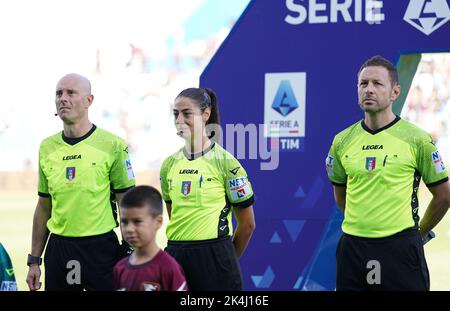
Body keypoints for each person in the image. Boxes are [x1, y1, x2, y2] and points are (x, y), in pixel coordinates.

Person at [326, 55, 450, 291]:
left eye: (377, 84)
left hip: (400, 249)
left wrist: (418, 233)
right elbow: (341, 196)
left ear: (395, 92)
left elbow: (444, 196)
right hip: (353, 249)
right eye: (363, 84)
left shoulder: (417, 139)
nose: (369, 89)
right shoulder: (341, 141)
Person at [26, 73, 136, 291]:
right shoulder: (47, 147)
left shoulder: (113, 145)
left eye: (71, 93)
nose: (63, 98)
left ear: (89, 101)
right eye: (59, 93)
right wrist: (34, 260)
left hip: (101, 248)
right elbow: (44, 205)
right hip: (60, 249)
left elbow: (127, 202)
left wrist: (132, 251)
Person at [160, 87, 256, 290]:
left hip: (216, 258)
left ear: (206, 114)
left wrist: (226, 259)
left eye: (187, 113)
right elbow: (174, 215)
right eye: (175, 114)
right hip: (175, 256)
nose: (179, 120)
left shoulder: (226, 163)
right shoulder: (168, 165)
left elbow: (247, 225)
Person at [113, 185, 188, 291]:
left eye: (137, 221)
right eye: (124, 222)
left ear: (158, 222)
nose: (129, 229)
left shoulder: (169, 268)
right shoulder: (119, 269)